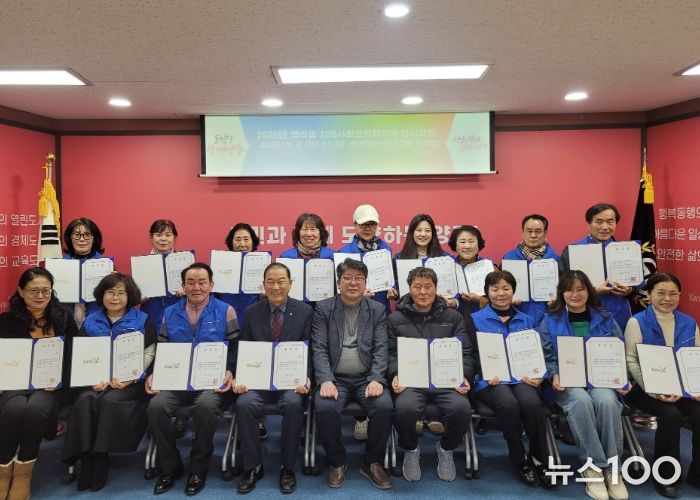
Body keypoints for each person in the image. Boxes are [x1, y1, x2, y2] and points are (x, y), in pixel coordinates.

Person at [146, 263, 238, 496]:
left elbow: (236, 347)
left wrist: (230, 370)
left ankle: (198, 468)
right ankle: (170, 466)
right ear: (183, 285)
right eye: (191, 282)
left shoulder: (226, 310)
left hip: (213, 382)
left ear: (211, 285)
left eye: (202, 282)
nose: (196, 287)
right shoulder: (169, 313)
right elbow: (162, 348)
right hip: (176, 380)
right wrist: (154, 373)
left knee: (205, 406)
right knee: (156, 406)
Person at [62, 273, 157, 492]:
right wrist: (92, 378)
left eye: (121, 293)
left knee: (110, 401)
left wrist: (131, 376)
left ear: (130, 296)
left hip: (130, 384)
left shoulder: (142, 320)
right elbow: (82, 354)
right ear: (101, 295)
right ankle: (86, 457)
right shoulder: (90, 321)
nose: (115, 297)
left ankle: (101, 457)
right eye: (110, 292)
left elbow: (150, 351)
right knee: (85, 400)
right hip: (96, 381)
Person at [540, 270, 629, 500]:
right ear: (561, 293)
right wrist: (554, 374)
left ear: (589, 291)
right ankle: (593, 467)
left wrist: (622, 377)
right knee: (580, 401)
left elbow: (618, 353)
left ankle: (613, 468)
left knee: (607, 401)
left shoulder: (606, 318)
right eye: (569, 290)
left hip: (600, 380)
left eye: (580, 289)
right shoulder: (550, 321)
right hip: (567, 382)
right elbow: (546, 355)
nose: (575, 294)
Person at [312, 258, 393, 490]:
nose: (353, 283)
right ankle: (337, 461)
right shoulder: (323, 308)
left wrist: (377, 378)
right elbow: (319, 347)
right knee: (325, 407)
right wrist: (326, 379)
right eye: (347, 278)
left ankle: (372, 461)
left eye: (359, 278)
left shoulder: (377, 309)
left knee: (384, 406)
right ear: (338, 282)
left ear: (366, 282)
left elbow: (381, 348)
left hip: (366, 378)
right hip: (335, 378)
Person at [468, 270, 554, 489]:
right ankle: (519, 459)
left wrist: (539, 375)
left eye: (506, 288)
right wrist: (486, 372)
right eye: (495, 289)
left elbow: (537, 353)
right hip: (490, 380)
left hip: (521, 378)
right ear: (487, 292)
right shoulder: (475, 319)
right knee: (508, 404)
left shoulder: (528, 320)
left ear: (513, 291)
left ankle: (539, 458)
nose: (501, 293)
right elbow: (471, 354)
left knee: (532, 404)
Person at [233, 263, 312, 494]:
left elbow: (309, 349)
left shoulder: (305, 311)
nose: (276, 287)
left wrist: (307, 377)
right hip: (258, 381)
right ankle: (252, 466)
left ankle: (287, 467)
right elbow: (244, 348)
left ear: (291, 283)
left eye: (281, 281)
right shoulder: (252, 312)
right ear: (263, 284)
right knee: (245, 403)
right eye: (270, 282)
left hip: (290, 382)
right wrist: (240, 377)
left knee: (293, 404)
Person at [388, 267, 474, 482]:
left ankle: (445, 448)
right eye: (417, 287)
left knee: (462, 409)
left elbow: (465, 352)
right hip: (411, 382)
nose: (423, 292)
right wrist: (395, 374)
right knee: (404, 409)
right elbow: (390, 353)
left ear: (436, 288)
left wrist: (465, 376)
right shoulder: (395, 318)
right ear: (409, 289)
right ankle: (410, 449)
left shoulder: (453, 317)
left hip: (446, 382)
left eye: (428, 286)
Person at [0, 267, 78, 500]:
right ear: (21, 291)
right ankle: (3, 471)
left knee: (35, 408)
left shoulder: (63, 318)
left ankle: (23, 475)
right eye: (34, 290)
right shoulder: (5, 321)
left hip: (50, 386)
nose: (40, 296)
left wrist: (61, 380)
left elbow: (74, 356)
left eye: (46, 290)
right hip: (14, 385)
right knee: (15, 408)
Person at [625, 273, 700, 498]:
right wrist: (655, 391)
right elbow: (631, 361)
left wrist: (695, 389)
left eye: (673, 294)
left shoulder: (689, 322)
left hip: (681, 388)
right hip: (644, 388)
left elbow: (696, 358)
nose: (667, 298)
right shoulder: (637, 322)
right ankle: (666, 475)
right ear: (649, 295)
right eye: (661, 293)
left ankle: (697, 474)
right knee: (670, 414)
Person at [390, 213, 454, 435]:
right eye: (419, 230)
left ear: (434, 234)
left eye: (428, 230)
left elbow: (451, 291)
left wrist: (451, 300)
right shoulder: (399, 258)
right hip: (409, 315)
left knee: (438, 357)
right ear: (411, 233)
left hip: (438, 315)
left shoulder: (445, 259)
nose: (423, 234)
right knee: (413, 358)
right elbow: (397, 287)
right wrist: (394, 292)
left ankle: (434, 416)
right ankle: (416, 415)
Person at [338, 204, 392, 441]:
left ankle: (372, 411)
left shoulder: (386, 249)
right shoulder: (343, 252)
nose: (367, 228)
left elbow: (392, 281)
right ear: (354, 226)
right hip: (351, 312)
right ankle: (361, 418)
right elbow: (338, 285)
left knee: (375, 355)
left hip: (379, 311)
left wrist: (392, 291)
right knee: (355, 354)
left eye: (372, 224)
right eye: (363, 224)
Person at [559, 203, 634, 329]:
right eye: (599, 222)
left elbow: (637, 287)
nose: (605, 227)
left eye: (610, 222)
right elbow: (562, 286)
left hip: (619, 312)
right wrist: (592, 291)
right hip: (584, 312)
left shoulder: (627, 250)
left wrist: (629, 290)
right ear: (589, 224)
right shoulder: (573, 251)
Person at [503, 214, 559, 325]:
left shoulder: (556, 260)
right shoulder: (508, 259)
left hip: (548, 318)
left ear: (545, 233)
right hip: (517, 317)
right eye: (529, 231)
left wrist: (558, 301)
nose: (533, 235)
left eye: (538, 231)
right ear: (522, 232)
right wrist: (508, 299)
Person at [63, 217, 106, 326]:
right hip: (66, 321)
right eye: (76, 235)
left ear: (94, 238)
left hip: (97, 323)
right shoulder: (59, 266)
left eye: (87, 234)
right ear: (70, 238)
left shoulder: (107, 266)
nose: (82, 239)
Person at [218, 223, 262, 329]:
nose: (242, 244)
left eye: (246, 239)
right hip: (226, 320)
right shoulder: (220, 263)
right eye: (238, 239)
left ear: (253, 241)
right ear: (231, 242)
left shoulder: (263, 263)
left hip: (255, 320)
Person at [140, 219, 181, 330]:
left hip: (179, 314)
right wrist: (138, 297)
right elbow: (135, 295)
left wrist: (188, 290)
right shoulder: (141, 264)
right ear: (151, 238)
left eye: (168, 235)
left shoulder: (185, 261)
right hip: (151, 313)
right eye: (158, 235)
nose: (163, 239)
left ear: (174, 238)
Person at [449, 225, 490, 314]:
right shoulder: (448, 267)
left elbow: (499, 298)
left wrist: (479, 299)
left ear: (478, 244)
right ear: (455, 244)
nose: (467, 246)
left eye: (471, 241)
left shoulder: (489, 266)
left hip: (484, 318)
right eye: (462, 242)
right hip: (454, 318)